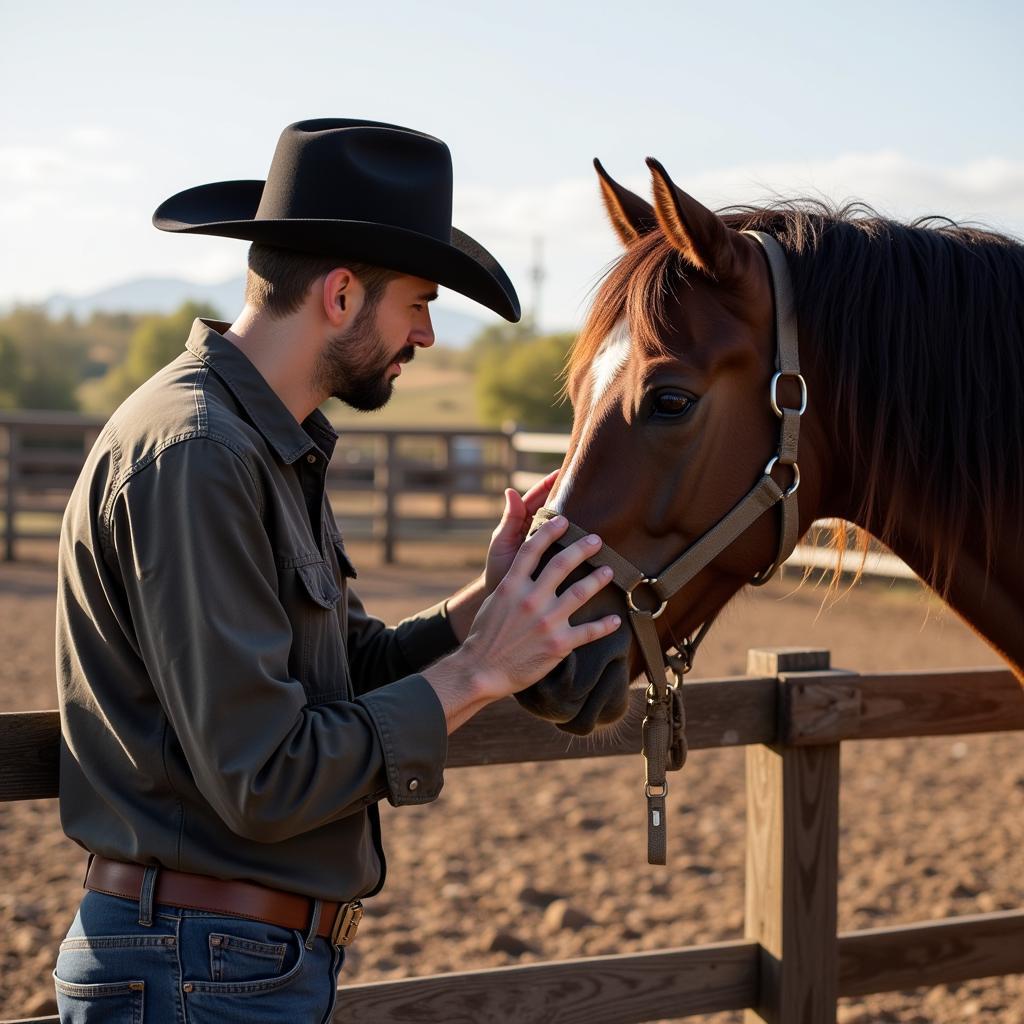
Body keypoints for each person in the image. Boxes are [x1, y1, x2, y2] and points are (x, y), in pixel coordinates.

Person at [52, 118, 620, 1023]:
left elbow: (331, 673)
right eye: (419, 302)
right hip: (194, 968)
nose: (428, 335)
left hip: (216, 961)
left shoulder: (255, 442)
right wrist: (479, 673)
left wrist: (483, 606)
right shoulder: (200, 456)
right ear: (344, 295)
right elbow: (262, 776)